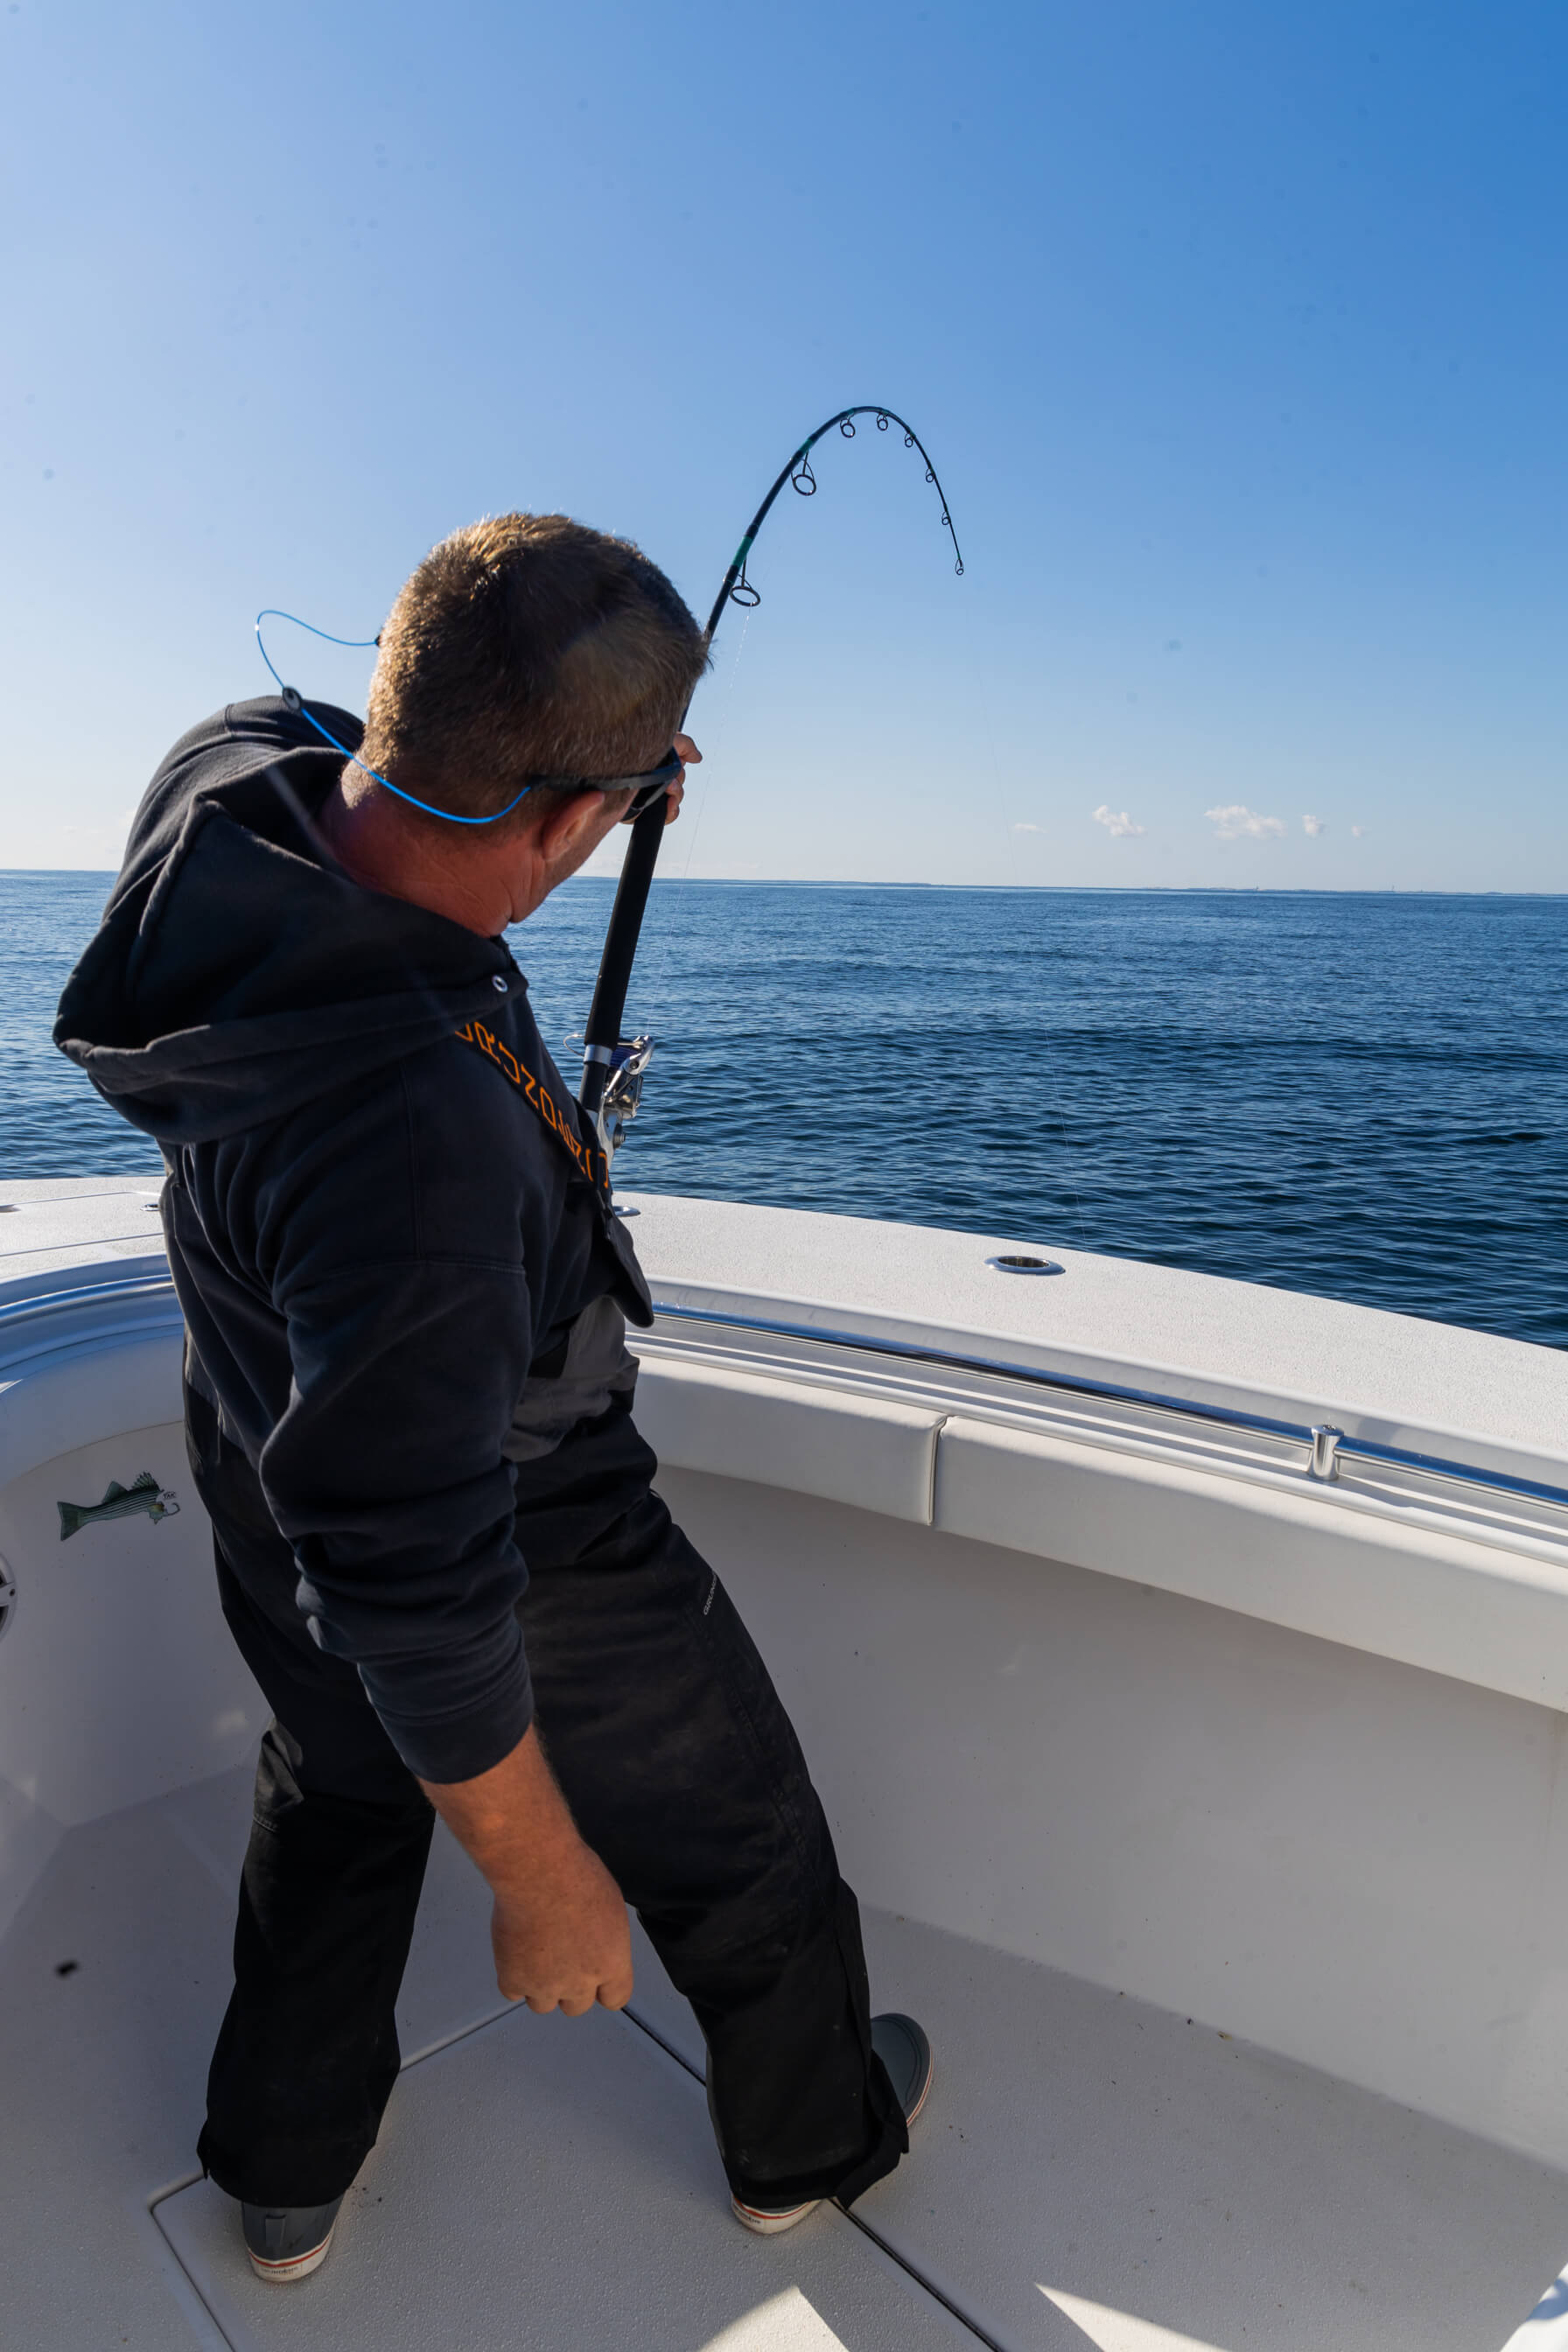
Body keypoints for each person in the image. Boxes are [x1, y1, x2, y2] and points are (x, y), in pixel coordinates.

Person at [54, 514, 929, 2285]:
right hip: (524, 1518)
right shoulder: (419, 1150)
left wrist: (608, 773)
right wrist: (540, 1882)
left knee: (340, 1782)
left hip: (253, 1429)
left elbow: (393, 744)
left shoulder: (226, 779)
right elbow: (410, 1575)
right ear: (553, 823)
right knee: (737, 1837)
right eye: (595, 816)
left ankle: (282, 2175)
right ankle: (806, 2144)